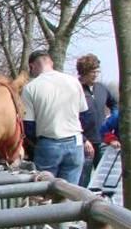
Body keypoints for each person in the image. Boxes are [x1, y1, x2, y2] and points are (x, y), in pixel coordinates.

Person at [21, 48, 92, 183]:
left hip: (49, 142)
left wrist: (37, 145)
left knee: (43, 193)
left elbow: (28, 125)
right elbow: (85, 115)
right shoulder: (73, 82)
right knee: (70, 192)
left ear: (32, 66)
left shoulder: (30, 88)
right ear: (51, 62)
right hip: (75, 142)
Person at [76, 53, 117, 186]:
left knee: (104, 181)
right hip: (84, 144)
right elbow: (69, 117)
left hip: (103, 142)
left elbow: (114, 104)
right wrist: (83, 139)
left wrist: (111, 120)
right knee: (83, 183)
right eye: (92, 71)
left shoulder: (102, 88)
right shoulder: (76, 89)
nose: (95, 74)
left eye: (97, 71)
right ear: (83, 72)